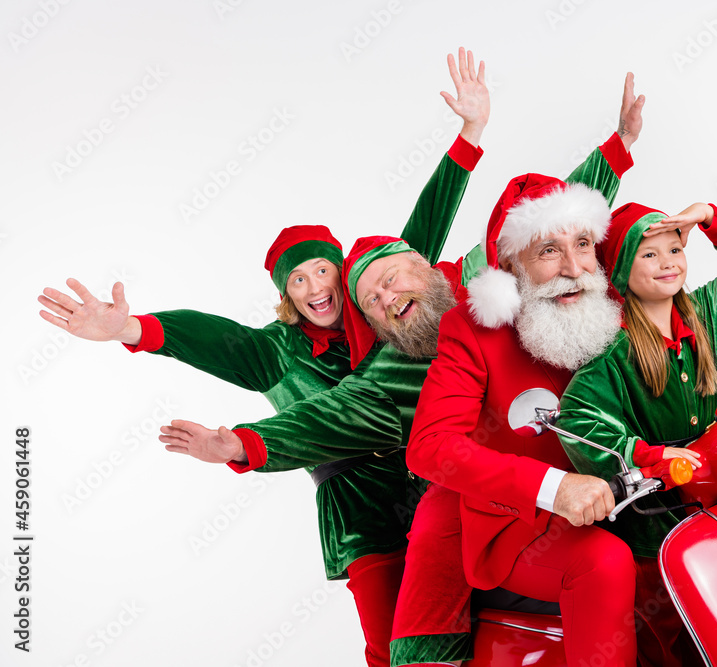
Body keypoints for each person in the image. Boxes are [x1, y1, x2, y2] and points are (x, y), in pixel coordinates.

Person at [163, 74, 645, 667]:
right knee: (412, 609)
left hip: (567, 470)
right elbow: (317, 415)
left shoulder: (477, 282)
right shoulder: (386, 367)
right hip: (433, 497)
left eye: (391, 278)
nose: (387, 296)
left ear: (424, 267)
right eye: (372, 299)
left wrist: (616, 149)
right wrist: (239, 441)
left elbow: (550, 227)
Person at [36, 48, 490, 667]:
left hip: (436, 478)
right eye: (295, 281)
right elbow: (206, 334)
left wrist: (469, 136)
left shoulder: (379, 310)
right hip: (362, 512)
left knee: (476, 623)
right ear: (286, 297)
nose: (313, 287)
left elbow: (420, 234)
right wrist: (133, 327)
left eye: (320, 270)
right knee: (392, 648)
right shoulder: (271, 352)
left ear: (344, 275)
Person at [405, 171, 647, 667]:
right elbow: (431, 446)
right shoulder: (474, 331)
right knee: (603, 564)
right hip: (524, 525)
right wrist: (554, 486)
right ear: (512, 267)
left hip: (641, 498)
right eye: (548, 251)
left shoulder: (616, 310)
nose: (575, 267)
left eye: (582, 243)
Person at [555, 201, 717, 665]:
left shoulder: (707, 315)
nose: (668, 262)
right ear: (620, 269)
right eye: (649, 255)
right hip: (655, 515)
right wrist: (642, 454)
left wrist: (713, 219)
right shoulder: (613, 350)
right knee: (675, 636)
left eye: (675, 248)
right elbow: (576, 415)